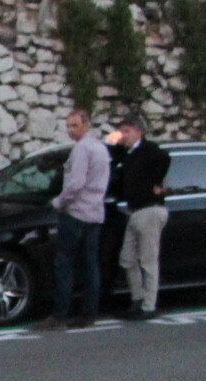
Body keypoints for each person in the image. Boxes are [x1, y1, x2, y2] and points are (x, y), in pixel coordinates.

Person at [38, 109, 111, 329]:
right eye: (69, 126)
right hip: (95, 213)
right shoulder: (100, 148)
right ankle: (89, 313)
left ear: (86, 124)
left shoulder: (82, 149)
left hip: (76, 213)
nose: (71, 130)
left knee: (65, 265)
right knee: (91, 266)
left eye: (75, 125)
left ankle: (60, 315)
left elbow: (75, 184)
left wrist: (58, 202)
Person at [115, 117, 171, 320]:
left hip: (150, 209)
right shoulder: (128, 154)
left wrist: (155, 182)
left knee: (148, 259)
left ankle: (149, 304)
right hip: (134, 210)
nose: (124, 136)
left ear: (138, 132)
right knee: (127, 258)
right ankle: (137, 297)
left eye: (127, 131)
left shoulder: (149, 150)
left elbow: (165, 158)